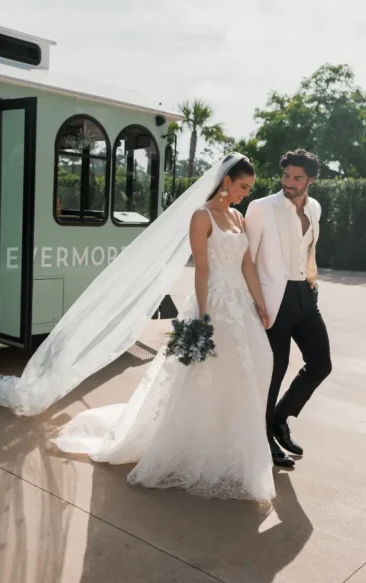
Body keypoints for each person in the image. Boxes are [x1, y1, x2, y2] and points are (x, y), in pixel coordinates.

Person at [51, 154, 277, 503]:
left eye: (249, 189)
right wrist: (204, 316)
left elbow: (247, 264)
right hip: (212, 304)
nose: (245, 194)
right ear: (227, 181)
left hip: (240, 308)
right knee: (204, 378)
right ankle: (193, 448)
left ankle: (232, 451)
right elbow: (202, 270)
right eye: (243, 187)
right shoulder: (201, 216)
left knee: (248, 370)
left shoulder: (238, 217)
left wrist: (260, 304)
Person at [245, 149, 330, 468]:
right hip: (273, 301)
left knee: (321, 364)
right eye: (286, 176)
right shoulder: (261, 207)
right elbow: (247, 259)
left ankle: (279, 418)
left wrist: (312, 278)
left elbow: (310, 246)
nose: (289, 183)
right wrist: (255, 302)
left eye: (297, 178)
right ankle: (263, 436)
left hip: (306, 297)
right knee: (273, 372)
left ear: (310, 180)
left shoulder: (315, 207)